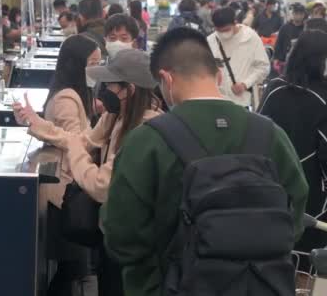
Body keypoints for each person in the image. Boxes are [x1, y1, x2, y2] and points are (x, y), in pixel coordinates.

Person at [102, 27, 309, 296]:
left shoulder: (147, 141)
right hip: (260, 285)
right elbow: (294, 217)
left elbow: (122, 237)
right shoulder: (271, 135)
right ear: (219, 75)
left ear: (166, 79)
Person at [15, 49, 161, 296]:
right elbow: (82, 141)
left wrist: (75, 153)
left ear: (130, 90)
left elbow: (100, 185)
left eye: (111, 86)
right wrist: (37, 123)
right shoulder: (115, 117)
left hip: (132, 240)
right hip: (110, 232)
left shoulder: (145, 130)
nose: (104, 92)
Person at [19, 35, 101, 296]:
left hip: (64, 184)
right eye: (94, 62)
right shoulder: (68, 97)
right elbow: (76, 140)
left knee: (69, 269)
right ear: (77, 64)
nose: (98, 69)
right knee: (71, 269)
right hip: (65, 190)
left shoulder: (76, 93)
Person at [260, 30, 327, 266]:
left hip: (267, 187)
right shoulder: (322, 99)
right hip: (312, 199)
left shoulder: (274, 88)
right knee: (308, 266)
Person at [207, 7, 270, 107]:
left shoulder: (250, 38)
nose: (222, 34)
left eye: (226, 30)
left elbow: (263, 67)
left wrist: (245, 84)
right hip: (216, 101)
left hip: (242, 102)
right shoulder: (211, 40)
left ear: (235, 22)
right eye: (218, 31)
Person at [273, 3, 306, 67]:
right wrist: (276, 58)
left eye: (301, 14)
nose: (298, 16)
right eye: (296, 13)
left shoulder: (306, 28)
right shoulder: (285, 27)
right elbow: (278, 43)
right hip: (285, 60)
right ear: (293, 14)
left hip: (302, 61)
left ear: (304, 15)